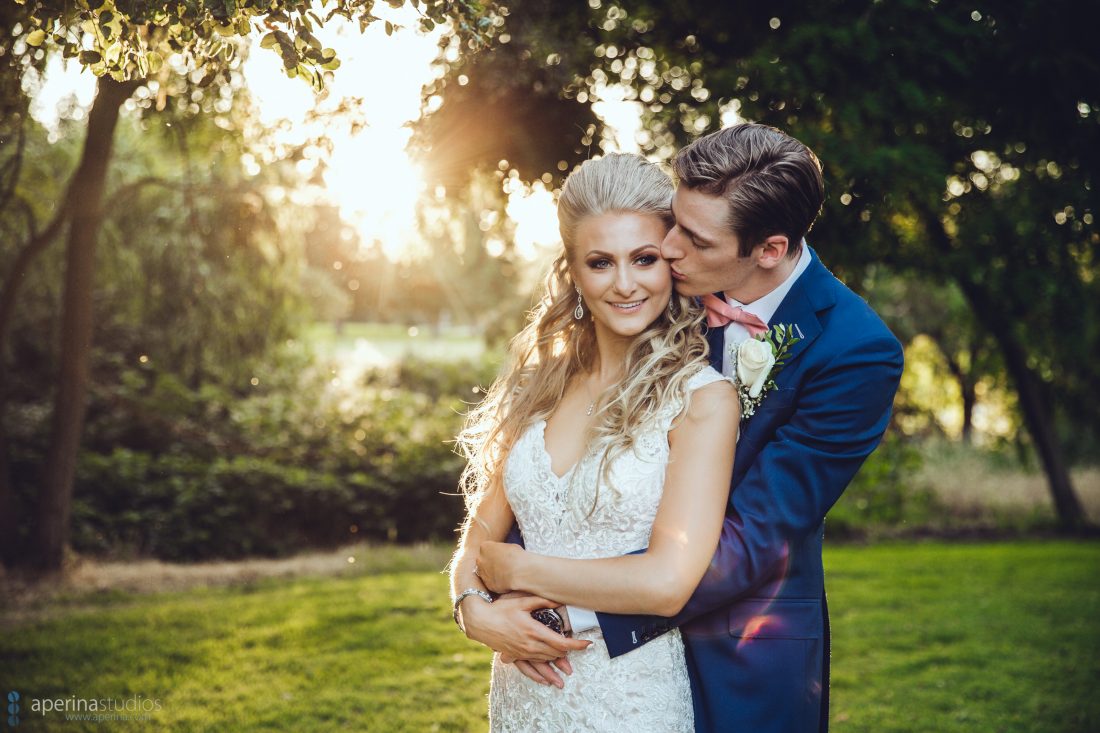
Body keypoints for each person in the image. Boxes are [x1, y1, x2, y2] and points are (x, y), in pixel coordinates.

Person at [470, 124, 904, 733]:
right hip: (553, 665)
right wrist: (472, 605)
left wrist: (549, 602)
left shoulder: (854, 351)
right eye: (671, 223)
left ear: (769, 250)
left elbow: (755, 533)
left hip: (739, 646)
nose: (666, 249)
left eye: (691, 238)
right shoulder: (654, 293)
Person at [449, 153, 741, 732]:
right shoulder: (539, 385)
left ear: (672, 264)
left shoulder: (702, 400)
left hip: (631, 698)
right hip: (522, 697)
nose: (625, 283)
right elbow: (477, 539)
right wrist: (470, 609)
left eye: (645, 259)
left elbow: (666, 584)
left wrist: (517, 570)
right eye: (601, 262)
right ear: (574, 274)